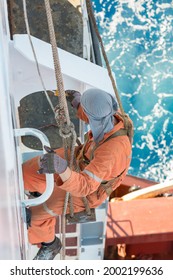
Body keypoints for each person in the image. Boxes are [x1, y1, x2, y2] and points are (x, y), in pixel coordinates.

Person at [23, 88, 133, 260]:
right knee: (30, 170)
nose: (83, 112)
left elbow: (85, 186)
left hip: (88, 190)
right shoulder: (108, 116)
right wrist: (78, 102)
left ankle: (50, 244)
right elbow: (92, 116)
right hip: (81, 158)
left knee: (36, 216)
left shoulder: (112, 152)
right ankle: (38, 188)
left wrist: (62, 168)